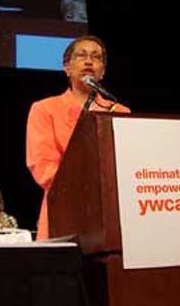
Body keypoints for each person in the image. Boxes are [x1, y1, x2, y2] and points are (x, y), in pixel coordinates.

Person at [26, 35, 130, 240]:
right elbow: (42, 164)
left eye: (96, 57)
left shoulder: (120, 111)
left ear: (102, 72)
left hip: (111, 213)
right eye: (81, 55)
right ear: (67, 68)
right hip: (64, 210)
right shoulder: (44, 109)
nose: (89, 61)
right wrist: (87, 189)